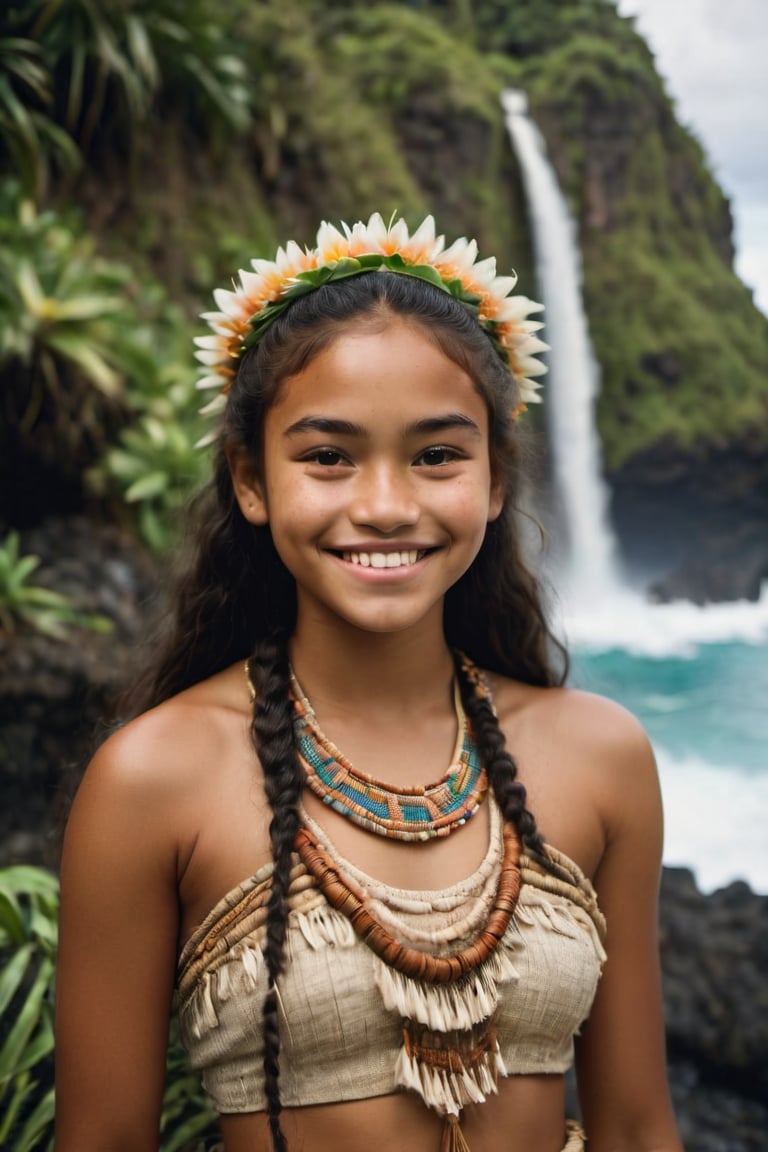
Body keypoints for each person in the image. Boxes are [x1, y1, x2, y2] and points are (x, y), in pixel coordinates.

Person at [54, 213, 683, 1152]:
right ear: (251, 481)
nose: (385, 506)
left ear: (497, 481)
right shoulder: (153, 780)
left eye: (437, 455)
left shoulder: (603, 758)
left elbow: (637, 1128)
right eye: (327, 457)